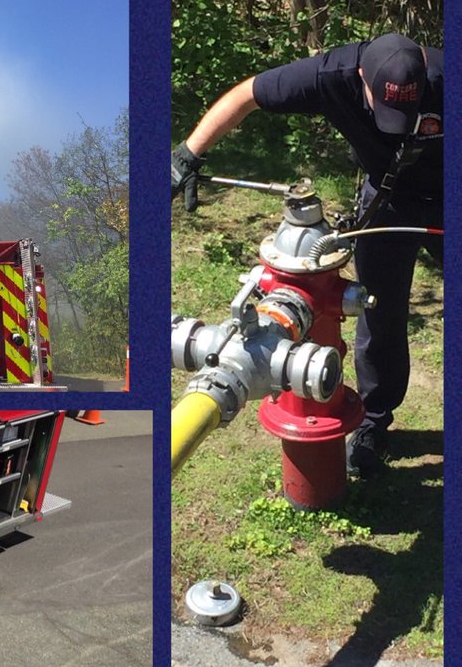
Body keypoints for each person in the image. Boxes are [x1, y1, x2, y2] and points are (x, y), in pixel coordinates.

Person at [171, 33, 443, 478]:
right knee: (379, 309)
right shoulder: (330, 75)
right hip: (389, 200)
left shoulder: (448, 77)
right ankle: (375, 421)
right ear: (362, 80)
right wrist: (187, 154)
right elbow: (247, 94)